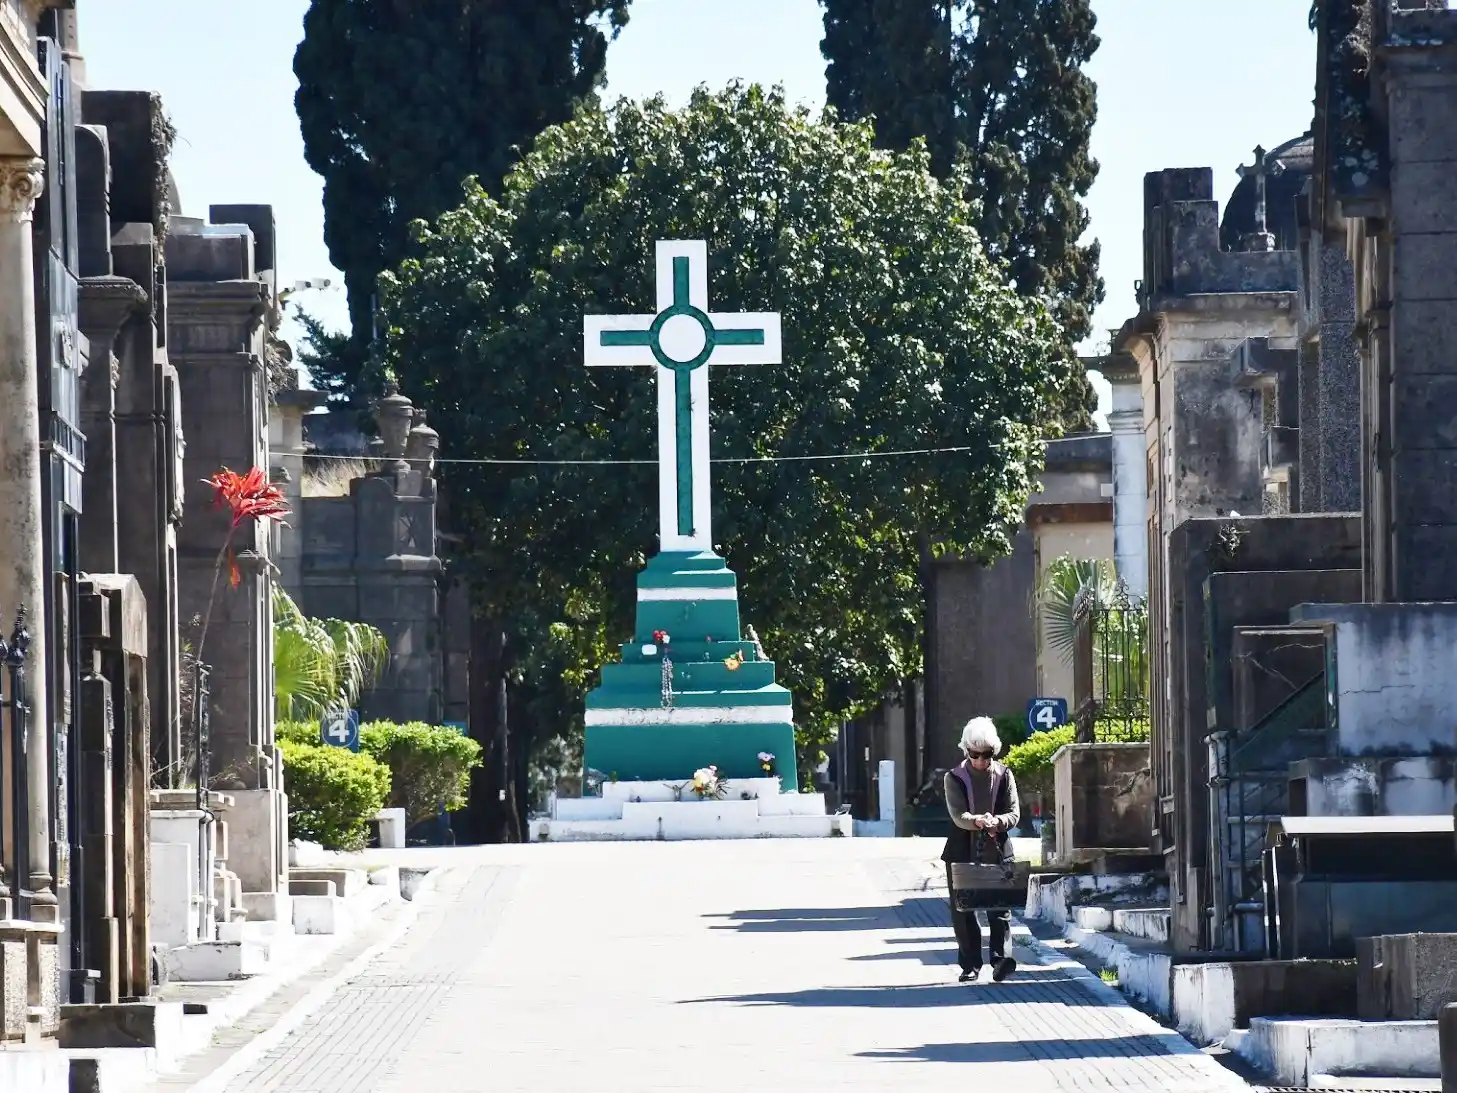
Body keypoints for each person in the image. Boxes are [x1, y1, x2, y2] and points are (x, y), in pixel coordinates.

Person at [941, 716, 1021, 983]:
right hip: (961, 849)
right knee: (963, 909)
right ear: (966, 751)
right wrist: (976, 820)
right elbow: (957, 814)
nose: (980, 760)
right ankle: (970, 964)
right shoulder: (954, 777)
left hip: (997, 848)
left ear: (993, 752)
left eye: (986, 755)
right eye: (974, 754)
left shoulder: (1005, 775)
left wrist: (998, 822)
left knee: (1001, 908)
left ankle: (1001, 960)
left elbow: (1014, 812)